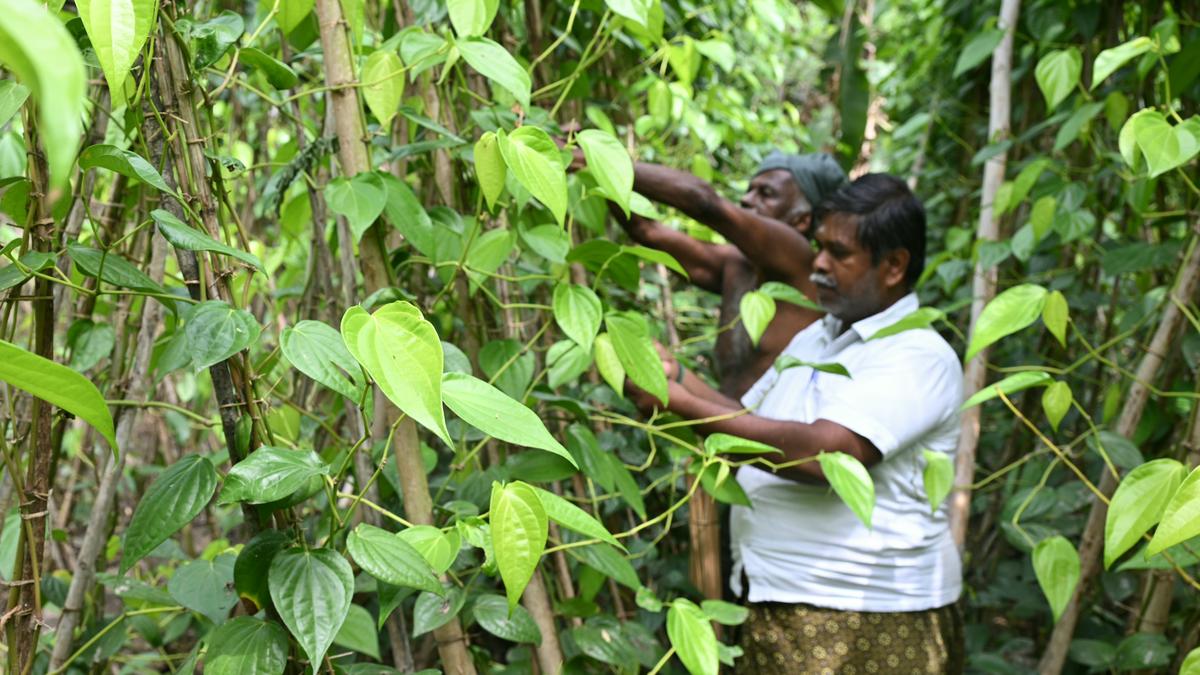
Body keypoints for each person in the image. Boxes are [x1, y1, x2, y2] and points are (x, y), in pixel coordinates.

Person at [631, 174, 965, 673]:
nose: (819, 264)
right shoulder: (818, 336)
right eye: (819, 247)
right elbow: (746, 420)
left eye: (839, 253)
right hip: (783, 601)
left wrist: (676, 401)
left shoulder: (919, 355)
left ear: (894, 265)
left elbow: (825, 455)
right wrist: (670, 376)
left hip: (869, 619)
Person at [577, 149, 847, 397]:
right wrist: (597, 167)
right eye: (750, 190)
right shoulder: (736, 265)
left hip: (778, 443)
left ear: (802, 220)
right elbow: (646, 230)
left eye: (766, 194)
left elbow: (705, 202)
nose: (746, 199)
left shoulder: (800, 262)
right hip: (726, 435)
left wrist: (597, 156)